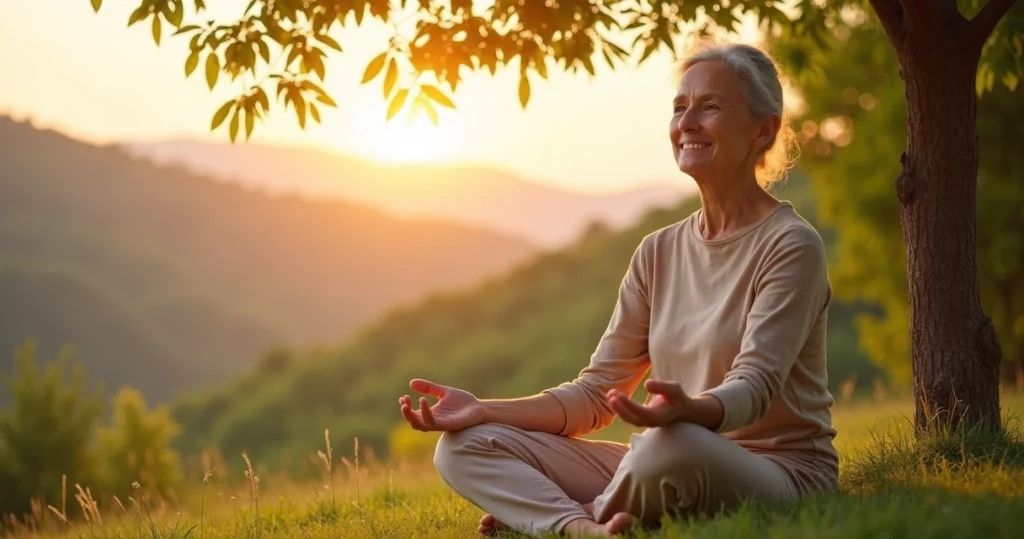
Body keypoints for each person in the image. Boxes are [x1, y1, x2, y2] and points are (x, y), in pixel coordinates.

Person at [397, 41, 838, 537]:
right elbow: (593, 397)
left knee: (669, 444)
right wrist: (484, 409)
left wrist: (692, 412)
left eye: (709, 107)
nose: (687, 122)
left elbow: (755, 387)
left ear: (764, 130)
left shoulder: (791, 245)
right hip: (663, 455)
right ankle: (580, 527)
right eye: (679, 107)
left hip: (778, 472)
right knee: (463, 445)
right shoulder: (658, 251)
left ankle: (551, 514)